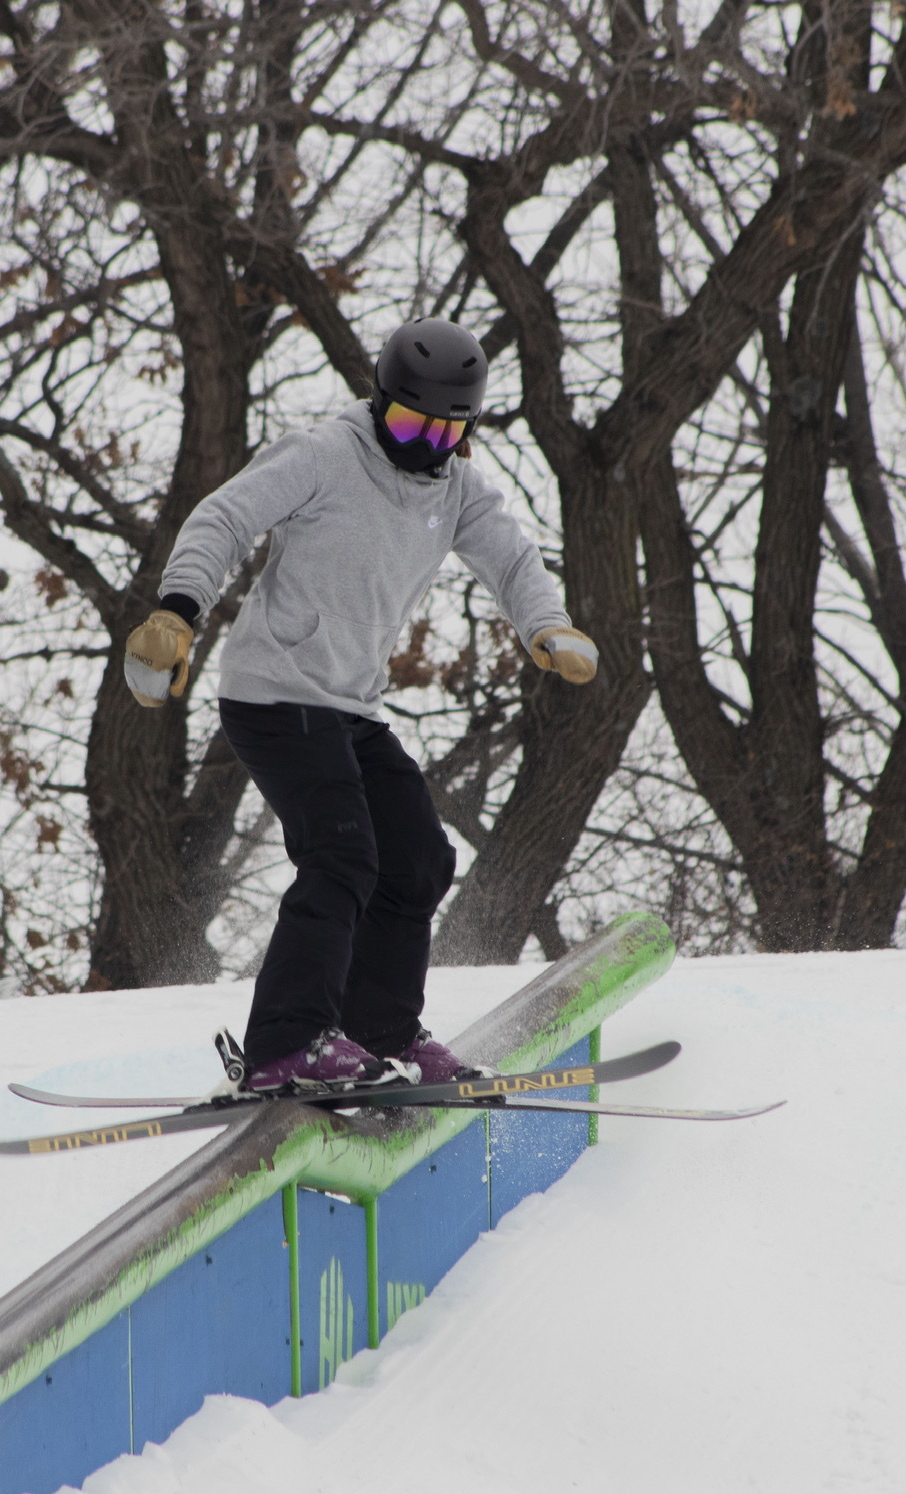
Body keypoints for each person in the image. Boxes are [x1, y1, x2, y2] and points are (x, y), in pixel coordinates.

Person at [124, 317, 600, 1092]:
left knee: (417, 860)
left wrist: (545, 624)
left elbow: (513, 559)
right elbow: (225, 515)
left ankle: (382, 1031)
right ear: (381, 403)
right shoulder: (324, 454)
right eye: (412, 424)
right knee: (343, 854)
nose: (426, 446)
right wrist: (177, 611)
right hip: (274, 694)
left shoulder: (457, 491)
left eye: (447, 433)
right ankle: (286, 1044)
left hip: (351, 708)